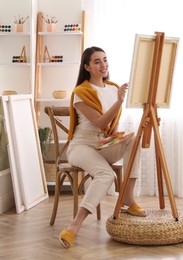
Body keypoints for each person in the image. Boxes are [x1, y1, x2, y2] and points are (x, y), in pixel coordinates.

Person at [59, 46, 145, 249]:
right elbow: (99, 122)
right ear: (87, 67)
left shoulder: (113, 88)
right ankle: (74, 225)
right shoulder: (81, 92)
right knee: (106, 175)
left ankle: (127, 196)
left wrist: (118, 136)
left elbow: (110, 127)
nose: (103, 65)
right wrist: (119, 102)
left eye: (105, 60)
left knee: (134, 140)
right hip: (82, 146)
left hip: (104, 144)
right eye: (97, 61)